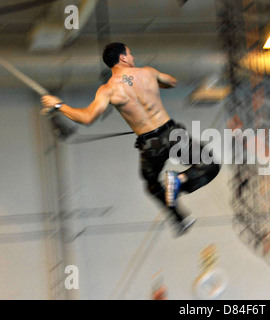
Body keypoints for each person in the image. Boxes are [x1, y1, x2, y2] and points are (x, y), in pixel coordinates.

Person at [41, 42, 220, 236]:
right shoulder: (148, 73)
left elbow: (87, 118)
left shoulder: (108, 90)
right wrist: (155, 82)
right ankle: (180, 179)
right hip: (172, 134)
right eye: (130, 54)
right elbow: (171, 82)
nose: (133, 57)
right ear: (123, 58)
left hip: (151, 145)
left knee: (152, 185)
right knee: (210, 164)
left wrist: (59, 105)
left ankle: (179, 219)